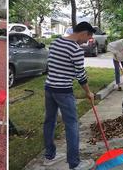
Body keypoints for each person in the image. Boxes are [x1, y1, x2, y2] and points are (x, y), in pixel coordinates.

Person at [43, 22, 96, 170]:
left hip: (49, 87)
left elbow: (51, 64)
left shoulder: (55, 42)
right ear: (83, 33)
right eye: (88, 37)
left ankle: (49, 156)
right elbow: (81, 75)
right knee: (72, 125)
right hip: (64, 91)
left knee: (49, 121)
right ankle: (75, 163)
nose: (87, 41)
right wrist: (88, 92)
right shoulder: (76, 50)